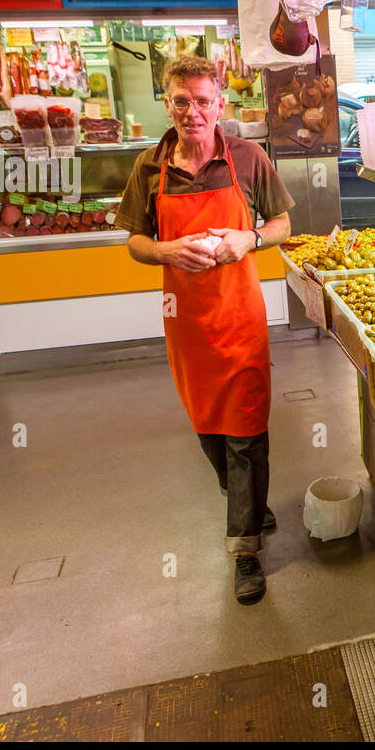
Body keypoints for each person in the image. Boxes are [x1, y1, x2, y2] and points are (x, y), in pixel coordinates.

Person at [116, 55, 294, 604]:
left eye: (202, 101)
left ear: (220, 104)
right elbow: (134, 241)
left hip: (239, 317)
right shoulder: (150, 167)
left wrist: (251, 240)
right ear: (167, 104)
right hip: (186, 323)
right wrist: (165, 250)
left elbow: (284, 222)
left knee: (245, 428)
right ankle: (246, 499)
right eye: (181, 102)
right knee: (209, 428)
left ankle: (245, 551)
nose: (192, 112)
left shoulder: (249, 157)